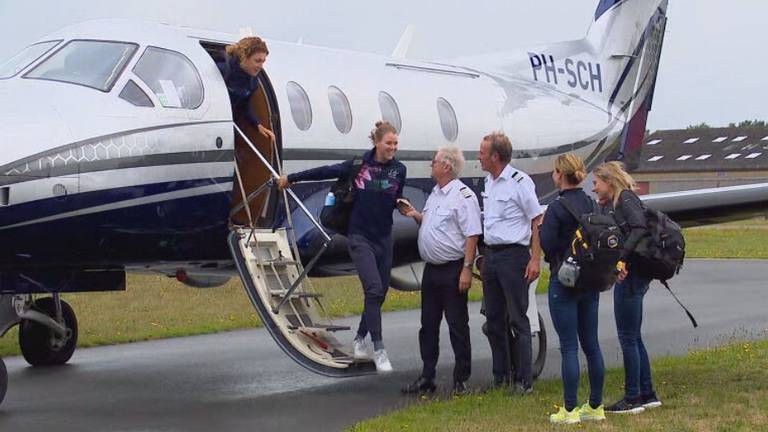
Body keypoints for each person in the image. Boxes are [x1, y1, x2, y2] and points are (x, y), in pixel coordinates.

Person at [277, 121, 406, 372]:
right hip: (359, 237)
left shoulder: (399, 170)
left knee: (379, 295)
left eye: (396, 143)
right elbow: (324, 171)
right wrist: (291, 178)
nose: (393, 148)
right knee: (373, 287)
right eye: (389, 143)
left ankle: (359, 338)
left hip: (384, 237)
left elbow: (393, 198)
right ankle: (379, 349)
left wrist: (403, 205)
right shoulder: (358, 166)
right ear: (377, 143)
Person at [400, 147, 482, 395]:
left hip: (453, 268)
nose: (430, 165)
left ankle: (461, 378)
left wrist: (467, 269)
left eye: (434, 162)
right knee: (428, 324)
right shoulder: (435, 194)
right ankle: (427, 375)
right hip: (432, 270)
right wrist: (415, 215)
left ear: (446, 166)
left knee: (457, 324)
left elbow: (472, 233)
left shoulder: (463, 196)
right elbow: (434, 223)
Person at [540, 154, 606, 424]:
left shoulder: (557, 208)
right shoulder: (592, 203)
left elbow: (547, 243)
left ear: (559, 174)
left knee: (569, 346)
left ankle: (569, 410)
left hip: (564, 279)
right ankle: (596, 406)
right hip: (590, 279)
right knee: (591, 345)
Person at [592, 161, 661, 414]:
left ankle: (633, 397)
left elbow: (639, 227)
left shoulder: (626, 200)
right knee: (635, 336)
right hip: (637, 275)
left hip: (631, 277)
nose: (594, 188)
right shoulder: (618, 203)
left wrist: (622, 259)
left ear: (609, 182)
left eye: (596, 183)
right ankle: (647, 392)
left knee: (627, 337)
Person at [477, 132, 543, 395]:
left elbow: (537, 220)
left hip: (514, 257)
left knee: (518, 319)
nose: (479, 157)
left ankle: (524, 381)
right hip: (492, 256)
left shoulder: (519, 182)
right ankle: (500, 376)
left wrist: (535, 258)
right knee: (493, 320)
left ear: (495, 156)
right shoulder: (488, 182)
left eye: (482, 153)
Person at [217, 36, 275, 143]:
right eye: (257, 61)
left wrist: (257, 125)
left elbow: (243, 106)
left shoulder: (253, 82)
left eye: (263, 61)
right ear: (244, 58)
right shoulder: (220, 70)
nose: (261, 66)